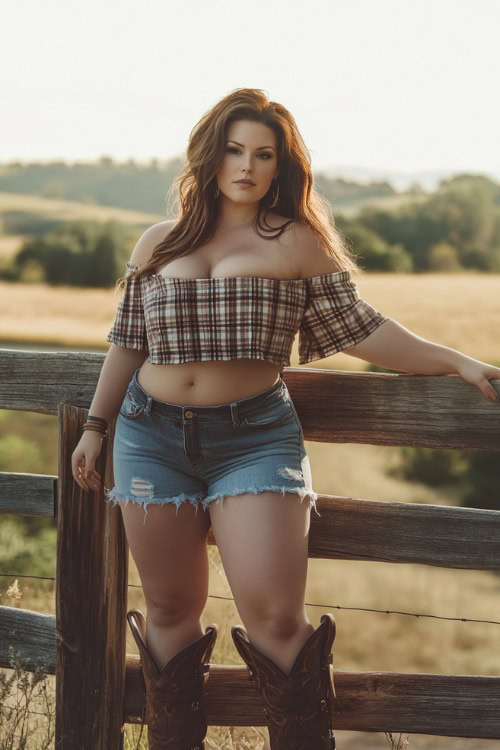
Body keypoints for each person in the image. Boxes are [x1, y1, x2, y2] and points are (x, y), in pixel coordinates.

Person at [71, 88, 500, 750]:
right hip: (149, 434)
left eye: (263, 154)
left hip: (253, 439)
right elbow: (129, 341)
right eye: (234, 150)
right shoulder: (158, 242)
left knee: (274, 616)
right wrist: (97, 426)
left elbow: (362, 328)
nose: (246, 166)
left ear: (281, 166)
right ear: (210, 156)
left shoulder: (296, 240)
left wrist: (457, 362)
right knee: (168, 611)